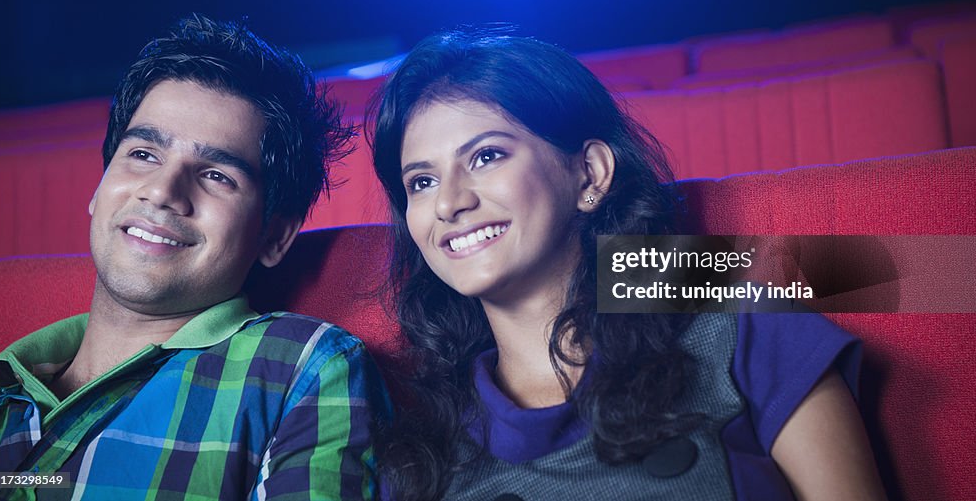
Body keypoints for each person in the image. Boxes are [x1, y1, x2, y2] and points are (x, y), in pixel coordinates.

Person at [368, 30, 887, 500]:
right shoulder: (424, 458)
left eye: (486, 157)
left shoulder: (740, 322)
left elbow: (909, 270)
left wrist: (678, 271)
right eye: (422, 182)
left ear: (590, 174)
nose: (448, 204)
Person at [0, 16, 388, 500]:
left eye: (217, 175)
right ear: (99, 187)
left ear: (275, 235)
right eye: (143, 154)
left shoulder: (302, 368)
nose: (161, 191)